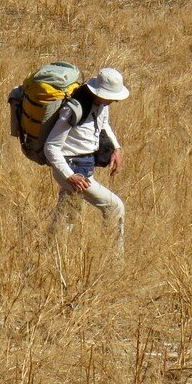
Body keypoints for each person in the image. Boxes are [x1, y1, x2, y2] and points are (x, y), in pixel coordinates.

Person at [43, 67, 129, 254]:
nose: (114, 100)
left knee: (67, 218)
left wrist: (117, 148)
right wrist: (70, 176)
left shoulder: (101, 105)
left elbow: (104, 124)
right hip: (72, 169)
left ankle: (47, 256)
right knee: (115, 206)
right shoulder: (72, 110)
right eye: (111, 96)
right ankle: (114, 261)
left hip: (82, 168)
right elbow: (51, 147)